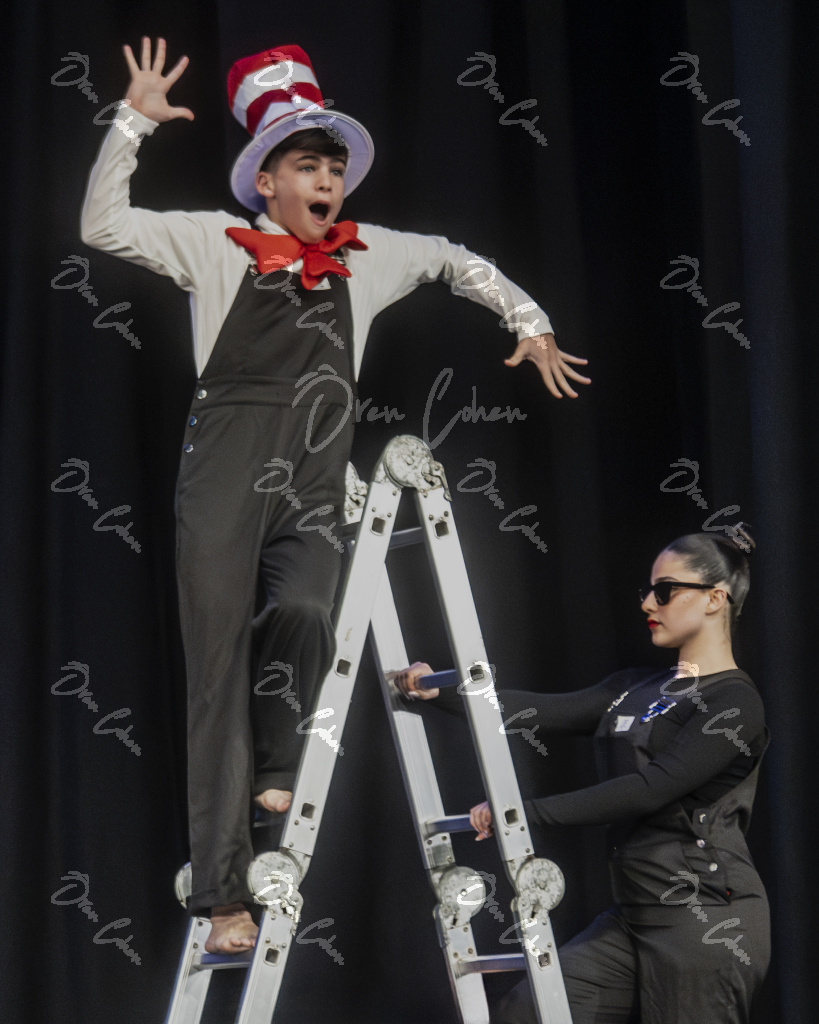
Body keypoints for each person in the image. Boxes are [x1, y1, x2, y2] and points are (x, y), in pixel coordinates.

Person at [79, 38, 592, 953]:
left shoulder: (369, 256)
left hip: (315, 477)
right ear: (265, 180)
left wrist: (529, 319)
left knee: (310, 609)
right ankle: (224, 897)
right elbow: (102, 226)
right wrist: (131, 124)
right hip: (223, 472)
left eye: (334, 168)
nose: (327, 181)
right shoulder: (213, 242)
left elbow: (453, 260)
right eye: (307, 166)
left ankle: (279, 761)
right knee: (214, 675)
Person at [395, 526, 769, 1024]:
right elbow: (535, 711)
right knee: (526, 1012)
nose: (647, 604)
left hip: (706, 922)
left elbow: (651, 789)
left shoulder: (734, 702)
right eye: (647, 591)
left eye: (665, 591)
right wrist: (438, 691)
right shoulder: (633, 688)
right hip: (632, 918)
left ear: (715, 599)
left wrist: (522, 814)